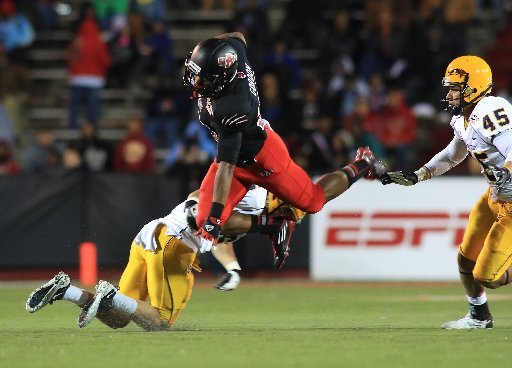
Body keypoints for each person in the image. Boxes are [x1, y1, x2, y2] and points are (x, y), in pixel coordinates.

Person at [182, 32, 384, 259]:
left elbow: (226, 168)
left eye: (205, 77)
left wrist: (215, 219)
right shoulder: (232, 50)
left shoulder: (232, 108)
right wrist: (212, 51)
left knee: (313, 201)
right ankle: (275, 225)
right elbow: (238, 37)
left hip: (263, 159)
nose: (196, 81)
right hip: (234, 161)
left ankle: (364, 163)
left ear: (222, 78)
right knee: (202, 218)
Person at [25, 186, 304, 331]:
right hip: (173, 243)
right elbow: (199, 206)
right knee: (160, 321)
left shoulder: (244, 202)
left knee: (119, 318)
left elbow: (214, 236)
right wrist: (265, 225)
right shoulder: (251, 199)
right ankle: (109, 293)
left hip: (151, 235)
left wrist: (232, 269)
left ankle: (66, 291)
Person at [381, 55, 511, 329]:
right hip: (495, 196)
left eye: (455, 88)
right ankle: (479, 317)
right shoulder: (463, 119)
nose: (449, 94)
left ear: (473, 87)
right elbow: (453, 154)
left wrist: (507, 170)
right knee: (465, 259)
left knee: (489, 277)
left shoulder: (490, 108)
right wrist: (419, 175)